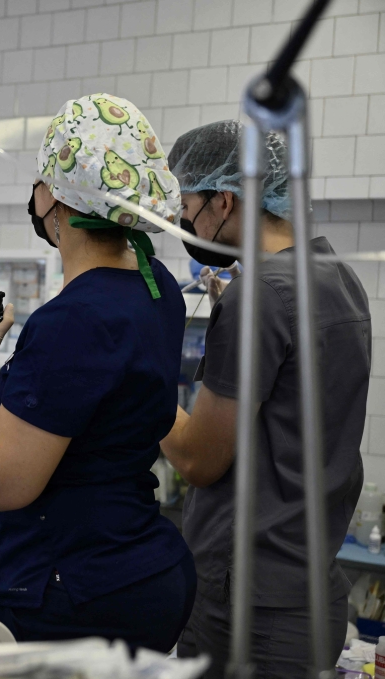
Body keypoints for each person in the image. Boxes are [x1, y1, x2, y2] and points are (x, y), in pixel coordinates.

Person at [0, 93, 194, 651]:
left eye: (41, 179)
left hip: (79, 595)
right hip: (149, 569)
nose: (34, 194)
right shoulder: (157, 287)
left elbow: (4, 482)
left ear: (60, 197)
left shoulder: (73, 319)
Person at [160, 120, 371, 678]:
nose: (184, 220)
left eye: (187, 203)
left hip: (248, 609)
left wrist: (137, 379)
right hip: (310, 591)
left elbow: (199, 460)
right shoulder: (338, 279)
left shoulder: (260, 296)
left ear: (224, 200)